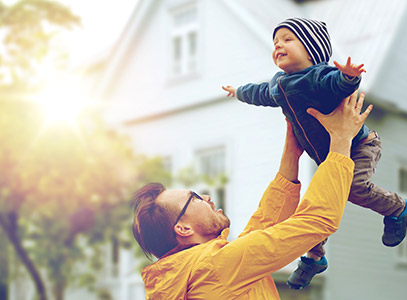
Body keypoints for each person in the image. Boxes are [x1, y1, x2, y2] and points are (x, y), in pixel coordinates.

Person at [222, 17, 407, 289]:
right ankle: (314, 258)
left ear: (311, 50)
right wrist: (239, 91)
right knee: (317, 203)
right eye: (275, 42)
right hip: (329, 158)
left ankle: (397, 208)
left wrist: (349, 76)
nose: (278, 45)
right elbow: (260, 92)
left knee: (353, 188)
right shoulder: (278, 84)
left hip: (359, 145)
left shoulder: (318, 76)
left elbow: (337, 84)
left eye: (287, 39)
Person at [132, 91, 372, 299]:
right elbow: (317, 220)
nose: (205, 197)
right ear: (183, 229)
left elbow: (262, 228)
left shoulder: (194, 272)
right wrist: (341, 140)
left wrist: (292, 149)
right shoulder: (215, 267)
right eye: (194, 197)